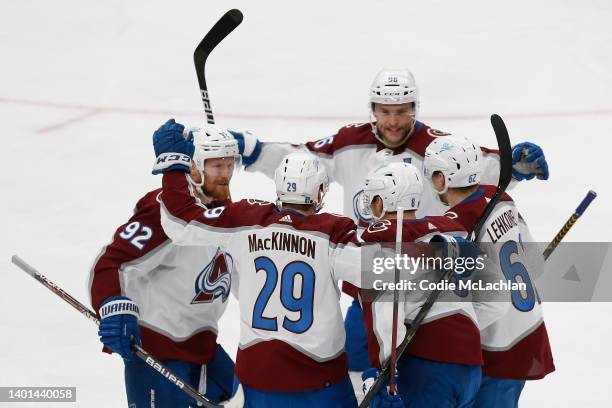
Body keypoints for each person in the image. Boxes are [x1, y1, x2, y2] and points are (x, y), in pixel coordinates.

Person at [225, 68, 551, 376]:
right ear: (373, 110)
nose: (393, 121)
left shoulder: (435, 148)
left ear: (415, 109)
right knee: (360, 373)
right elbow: (299, 158)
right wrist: (251, 150)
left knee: (421, 378)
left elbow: (479, 167)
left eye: (402, 111)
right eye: (385, 111)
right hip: (371, 286)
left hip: (426, 293)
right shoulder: (349, 142)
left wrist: (515, 164)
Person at [151, 117, 387, 407]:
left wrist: (174, 167)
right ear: (319, 192)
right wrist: (452, 256)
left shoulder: (245, 220)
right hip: (320, 384)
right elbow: (389, 274)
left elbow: (179, 221)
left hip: (257, 381)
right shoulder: (333, 232)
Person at [89, 120, 241, 407]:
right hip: (158, 353)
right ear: (193, 168)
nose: (225, 176)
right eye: (216, 166)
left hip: (204, 349)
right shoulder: (163, 211)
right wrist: (113, 307)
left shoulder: (226, 213)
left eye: (229, 165)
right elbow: (111, 263)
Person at [422, 135, 555, 407]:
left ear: (440, 178)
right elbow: (534, 262)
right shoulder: (502, 198)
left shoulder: (456, 224)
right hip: (529, 326)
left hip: (498, 342)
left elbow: (484, 300)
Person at [359, 161, 483, 407]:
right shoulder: (452, 231)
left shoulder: (384, 241)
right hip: (471, 365)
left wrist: (379, 371)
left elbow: (386, 313)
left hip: (428, 366)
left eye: (373, 199)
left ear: (382, 201)